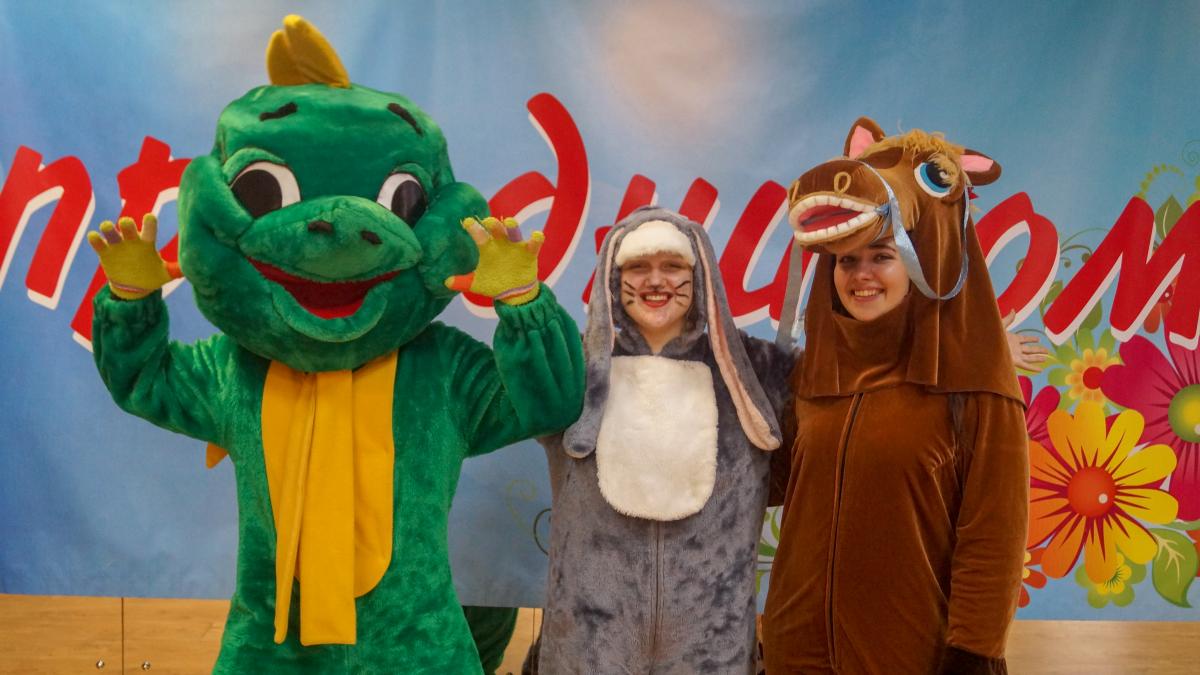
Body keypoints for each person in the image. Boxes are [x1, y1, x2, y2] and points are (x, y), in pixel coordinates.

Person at [763, 119, 1029, 674]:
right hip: (796, 652)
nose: (861, 275)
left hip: (910, 657)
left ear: (918, 260)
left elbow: (993, 538)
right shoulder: (811, 374)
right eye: (847, 260)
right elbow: (767, 485)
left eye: (881, 256)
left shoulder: (975, 386)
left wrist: (973, 654)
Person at [536, 207, 795, 674]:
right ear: (614, 279)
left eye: (673, 266)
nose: (656, 281)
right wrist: (521, 307)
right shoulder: (575, 368)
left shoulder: (758, 372)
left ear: (700, 277)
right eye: (638, 266)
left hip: (712, 646)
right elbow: (524, 391)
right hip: (588, 644)